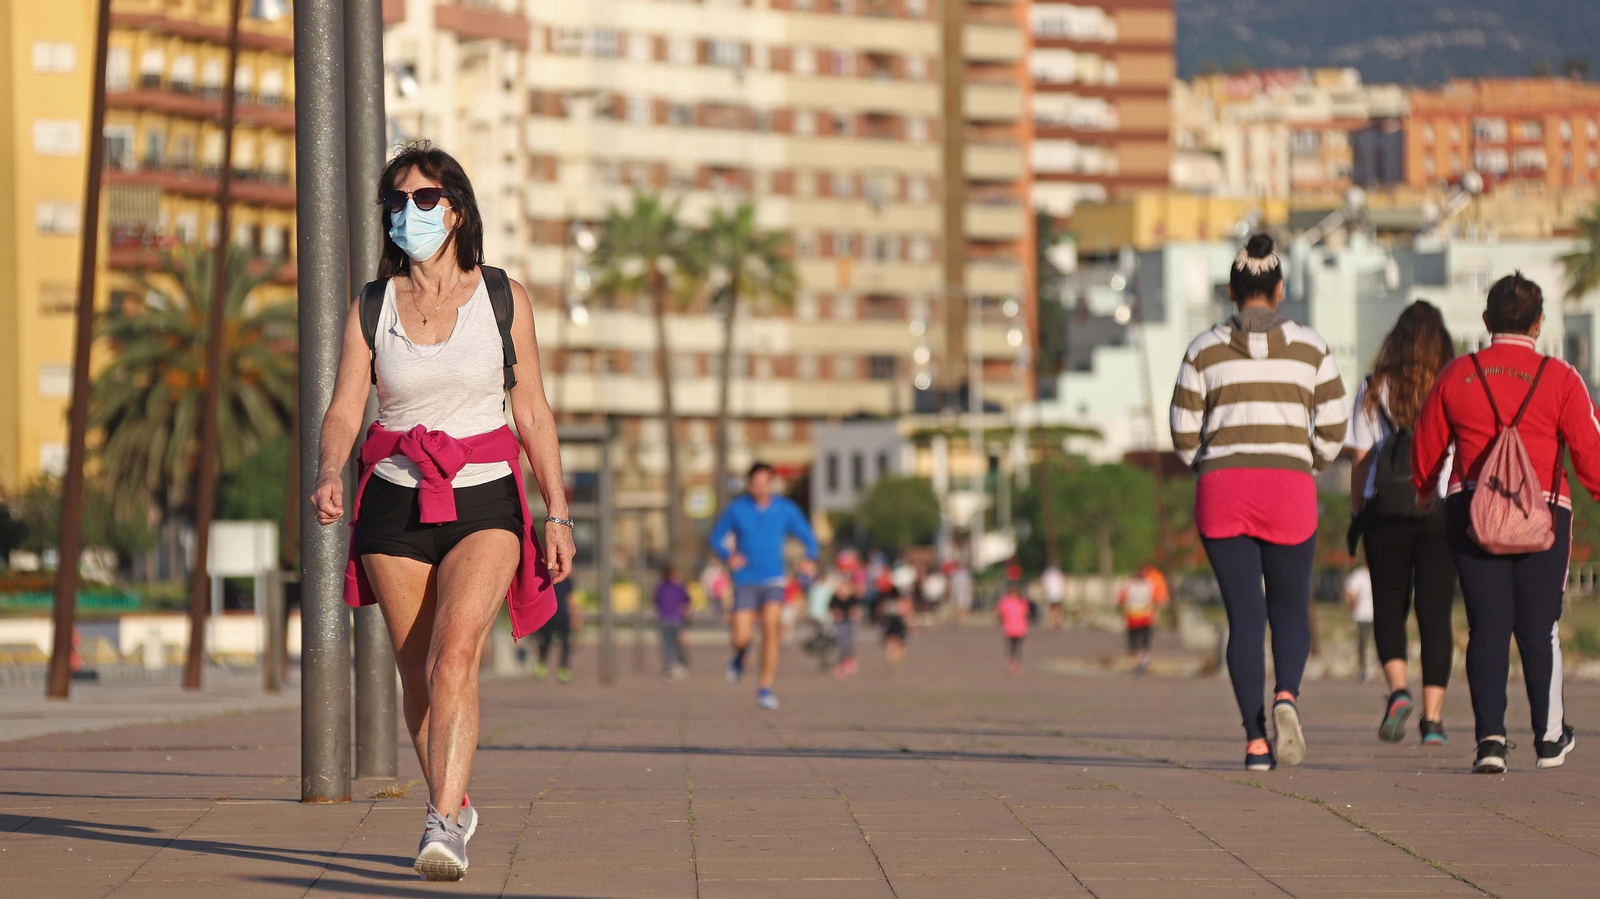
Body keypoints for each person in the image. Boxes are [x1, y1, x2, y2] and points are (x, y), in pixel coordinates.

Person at [312, 143, 575, 881]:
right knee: (419, 674)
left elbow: (532, 408)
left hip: (484, 492)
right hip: (393, 494)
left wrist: (557, 512)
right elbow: (343, 407)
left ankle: (442, 821)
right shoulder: (372, 305)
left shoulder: (502, 297)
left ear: (457, 209)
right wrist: (331, 469)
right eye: (397, 202)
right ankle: (453, 799)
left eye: (426, 199)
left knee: (455, 653)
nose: (411, 213)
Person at [1170, 234, 1349, 772]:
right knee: (1290, 609)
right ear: (1280, 290)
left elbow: (1182, 436)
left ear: (1231, 291)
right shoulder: (1312, 346)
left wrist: (1216, 459)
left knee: (1245, 619)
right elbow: (1335, 429)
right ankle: (1287, 697)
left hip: (1223, 490)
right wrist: (1305, 460)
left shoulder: (1202, 348)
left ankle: (1254, 741)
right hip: (1289, 488)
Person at [1412, 273, 1600, 773]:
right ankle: (1549, 737)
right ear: (1539, 324)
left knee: (1487, 626)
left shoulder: (1459, 374)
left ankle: (1491, 742)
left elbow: (1426, 446)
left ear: (1487, 321)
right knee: (1540, 628)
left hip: (1472, 513)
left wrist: (1425, 491)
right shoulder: (1561, 378)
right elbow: (1591, 454)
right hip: (1544, 515)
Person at [1347, 300, 1459, 745]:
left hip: (1385, 511)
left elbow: (1360, 459)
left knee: (1389, 607)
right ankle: (1432, 720)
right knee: (1435, 615)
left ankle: (1397, 691)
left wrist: (1358, 511)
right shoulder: (1451, 385)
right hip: (1438, 509)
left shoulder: (1374, 388)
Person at [708, 462, 819, 709]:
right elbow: (716, 537)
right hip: (745, 579)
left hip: (774, 578)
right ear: (749, 484)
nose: (759, 487)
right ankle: (739, 655)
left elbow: (808, 537)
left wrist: (809, 558)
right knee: (741, 636)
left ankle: (765, 687)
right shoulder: (737, 509)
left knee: (771, 628)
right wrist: (729, 556)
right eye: (755, 483)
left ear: (772, 483)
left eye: (764, 482)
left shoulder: (785, 509)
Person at [1118, 565, 1168, 674]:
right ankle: (1145, 661)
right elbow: (1158, 600)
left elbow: (1121, 600)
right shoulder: (1149, 585)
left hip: (1133, 618)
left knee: (1134, 643)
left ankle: (1139, 663)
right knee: (1146, 641)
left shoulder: (1128, 586)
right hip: (1146, 617)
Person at [534, 577, 579, 684]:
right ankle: (542, 664)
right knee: (545, 641)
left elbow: (570, 597)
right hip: (548, 617)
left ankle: (564, 669)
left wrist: (576, 615)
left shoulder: (566, 579)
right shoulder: (542, 576)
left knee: (566, 645)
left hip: (563, 616)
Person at [655, 566, 691, 681]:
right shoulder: (679, 587)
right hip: (676, 619)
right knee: (675, 643)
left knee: (668, 644)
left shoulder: (661, 588)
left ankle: (672, 664)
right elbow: (686, 600)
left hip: (665, 619)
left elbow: (657, 601)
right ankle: (676, 664)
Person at [1343, 565, 1375, 683]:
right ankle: (1363, 668)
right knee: (1362, 644)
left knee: (1376, 643)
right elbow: (1350, 593)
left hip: (1376, 615)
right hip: (1363, 615)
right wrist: (1354, 607)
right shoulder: (1359, 575)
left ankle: (1377, 667)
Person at [996, 582, 1031, 676]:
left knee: (1018, 647)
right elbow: (1000, 613)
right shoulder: (1005, 602)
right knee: (1011, 647)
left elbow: (1026, 614)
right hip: (1009, 628)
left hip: (1020, 628)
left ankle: (1017, 663)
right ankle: (1011, 662)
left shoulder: (1022, 602)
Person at [877, 583, 912, 668]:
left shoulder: (900, 601)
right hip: (892, 622)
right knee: (892, 642)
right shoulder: (885, 601)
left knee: (898, 643)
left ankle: (896, 659)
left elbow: (907, 611)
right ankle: (892, 660)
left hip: (898, 623)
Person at [1041, 563, 1067, 628]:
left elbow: (1044, 583)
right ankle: (1056, 621)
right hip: (1056, 593)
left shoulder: (1048, 573)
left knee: (1052, 608)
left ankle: (1053, 622)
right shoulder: (1058, 573)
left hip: (1052, 593)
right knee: (1057, 608)